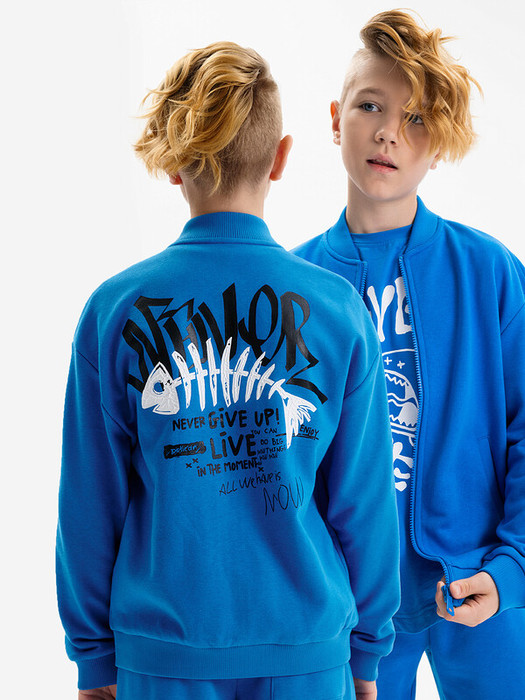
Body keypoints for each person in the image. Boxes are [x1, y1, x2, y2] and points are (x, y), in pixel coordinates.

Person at [56, 41, 400, 700]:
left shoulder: (114, 311)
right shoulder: (339, 311)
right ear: (280, 157)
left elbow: (89, 506)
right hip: (308, 656)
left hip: (162, 659)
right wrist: (366, 654)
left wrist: (94, 659)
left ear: (174, 163)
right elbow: (364, 503)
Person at [293, 9, 525, 699]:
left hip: (480, 584)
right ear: (335, 120)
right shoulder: (294, 289)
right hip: (348, 609)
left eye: (416, 118)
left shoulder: (488, 272)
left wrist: (512, 566)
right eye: (370, 106)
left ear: (439, 144)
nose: (389, 132)